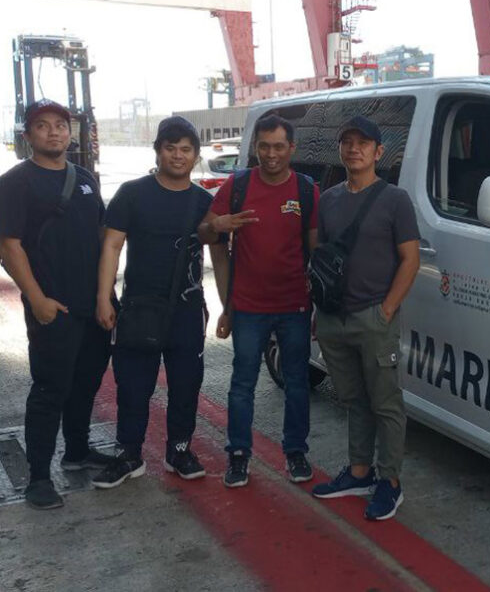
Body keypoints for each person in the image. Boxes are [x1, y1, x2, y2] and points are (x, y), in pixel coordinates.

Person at [91, 117, 224, 489]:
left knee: (186, 385)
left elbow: (223, 255)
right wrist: (104, 298)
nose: (178, 156)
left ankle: (178, 450)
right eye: (171, 148)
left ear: (195, 156)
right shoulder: (132, 194)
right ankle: (128, 454)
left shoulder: (203, 202)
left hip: (186, 311)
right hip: (138, 308)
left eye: (185, 150)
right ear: (158, 151)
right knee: (133, 386)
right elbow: (112, 246)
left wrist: (227, 305)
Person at [0, 99, 113, 509]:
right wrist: (37, 300)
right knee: (50, 390)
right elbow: (9, 246)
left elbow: (103, 239)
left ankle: (78, 450)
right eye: (43, 126)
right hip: (52, 307)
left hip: (92, 305)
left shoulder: (84, 178)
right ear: (28, 135)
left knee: (86, 381)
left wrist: (106, 296)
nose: (54, 132)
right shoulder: (16, 182)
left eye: (61, 125)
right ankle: (38, 478)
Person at [198, 115, 319, 488]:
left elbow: (315, 250)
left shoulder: (305, 190)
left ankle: (295, 451)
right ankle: (238, 454)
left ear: (291, 149)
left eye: (279, 146)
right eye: (264, 146)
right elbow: (204, 233)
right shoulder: (237, 186)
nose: (270, 154)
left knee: (297, 382)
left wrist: (317, 305)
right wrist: (216, 227)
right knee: (242, 383)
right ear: (255, 147)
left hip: (295, 306)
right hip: (249, 307)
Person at [310, 116, 420, 521]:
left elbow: (411, 259)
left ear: (379, 152)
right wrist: (319, 314)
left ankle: (389, 482)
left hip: (374, 317)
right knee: (353, 399)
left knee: (386, 403)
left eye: (363, 143)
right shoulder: (329, 199)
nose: (353, 149)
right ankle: (359, 472)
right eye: (347, 142)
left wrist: (387, 309)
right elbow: (321, 258)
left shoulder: (394, 200)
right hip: (334, 320)